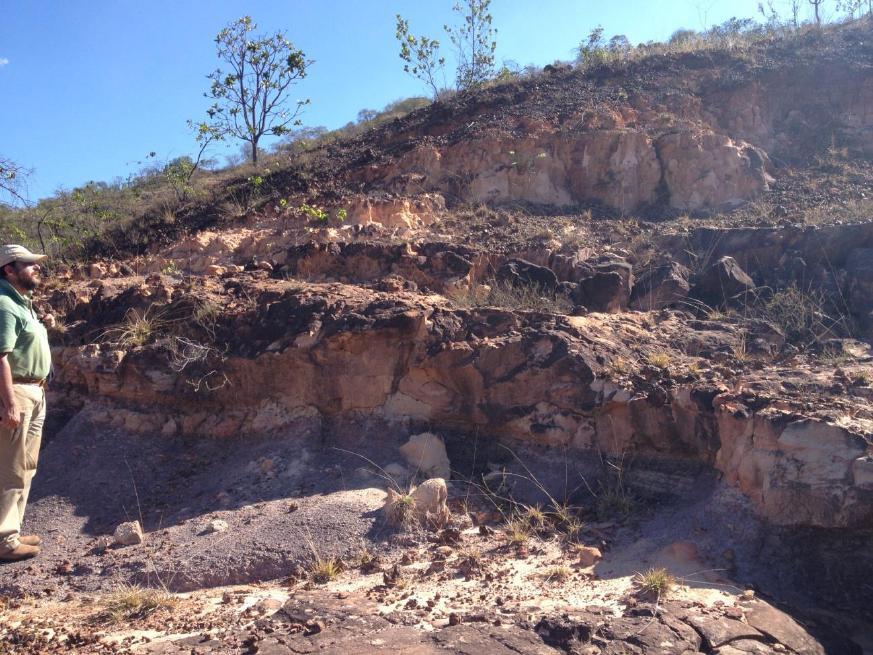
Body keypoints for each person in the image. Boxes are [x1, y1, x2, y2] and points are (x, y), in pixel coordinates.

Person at [0, 245, 51, 562]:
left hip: (35, 391)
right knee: (10, 468)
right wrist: (8, 403)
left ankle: (13, 529)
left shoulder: (22, 304)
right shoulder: (5, 305)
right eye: (29, 264)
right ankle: (5, 541)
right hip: (16, 392)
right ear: (9, 269)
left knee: (27, 467)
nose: (37, 268)